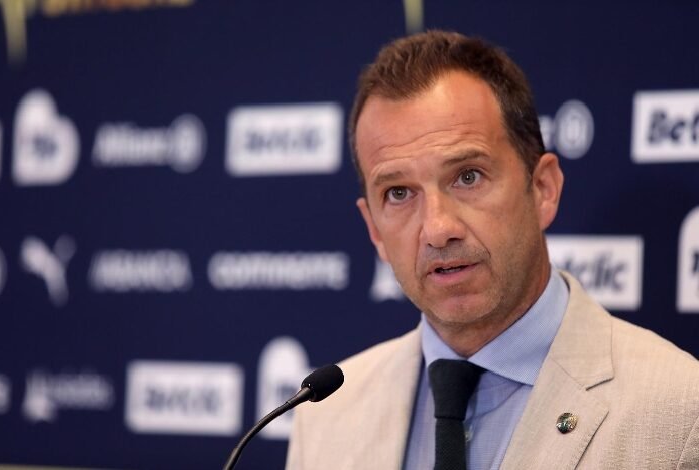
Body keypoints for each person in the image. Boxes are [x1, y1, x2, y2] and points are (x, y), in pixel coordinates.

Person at [286, 30, 699, 469]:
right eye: (399, 193)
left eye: (468, 177)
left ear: (543, 189)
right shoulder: (326, 415)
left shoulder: (680, 411)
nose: (437, 230)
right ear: (374, 229)